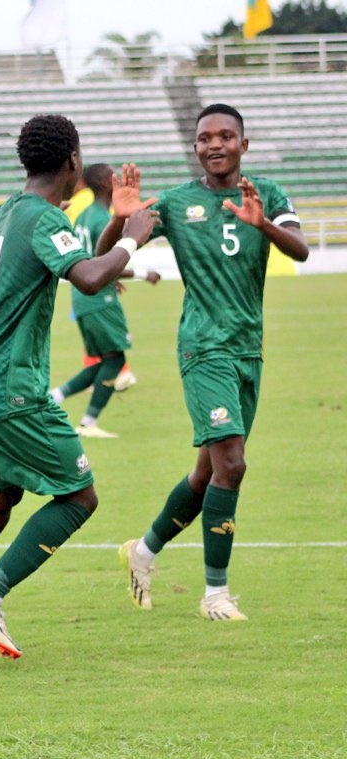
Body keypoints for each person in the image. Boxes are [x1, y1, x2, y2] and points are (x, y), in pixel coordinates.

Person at [0, 115, 159, 670]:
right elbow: (90, 277)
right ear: (72, 162)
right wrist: (134, 238)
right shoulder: (42, 218)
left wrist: (114, 226)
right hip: (10, 387)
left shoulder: (6, 212)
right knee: (79, 496)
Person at [109, 104, 308, 622]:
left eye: (225, 136)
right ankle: (215, 594)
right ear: (195, 147)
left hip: (248, 348)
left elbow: (302, 250)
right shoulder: (175, 203)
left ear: (245, 143)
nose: (214, 144)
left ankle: (143, 553)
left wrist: (262, 223)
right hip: (203, 348)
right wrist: (118, 218)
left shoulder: (269, 194)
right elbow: (107, 254)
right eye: (204, 138)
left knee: (207, 473)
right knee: (233, 464)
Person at [50, 164, 161, 438]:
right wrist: (144, 274)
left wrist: (111, 275)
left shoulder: (84, 216)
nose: (118, 181)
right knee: (114, 360)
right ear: (102, 183)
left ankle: (54, 398)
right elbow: (103, 262)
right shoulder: (104, 219)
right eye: (111, 176)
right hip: (100, 299)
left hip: (82, 297)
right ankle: (88, 423)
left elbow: (85, 260)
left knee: (102, 361)